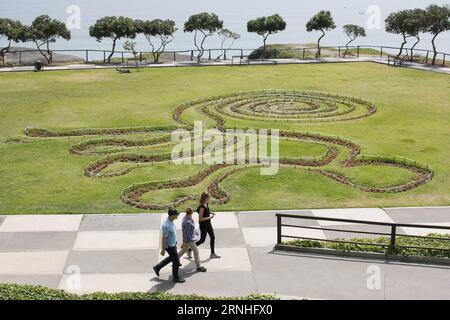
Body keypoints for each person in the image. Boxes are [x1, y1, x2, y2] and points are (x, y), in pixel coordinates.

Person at [153, 208, 185, 283]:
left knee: (172, 258)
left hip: (173, 244)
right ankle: (176, 278)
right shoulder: (166, 225)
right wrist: (163, 249)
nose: (177, 216)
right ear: (173, 215)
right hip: (170, 246)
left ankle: (157, 267)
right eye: (177, 214)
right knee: (176, 262)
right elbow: (164, 238)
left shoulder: (171, 221)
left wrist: (175, 241)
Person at [178, 207, 207, 272]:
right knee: (196, 252)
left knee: (183, 250)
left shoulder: (185, 218)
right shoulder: (188, 222)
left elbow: (187, 230)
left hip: (187, 239)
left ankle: (175, 260)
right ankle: (199, 266)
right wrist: (184, 242)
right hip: (189, 240)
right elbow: (187, 233)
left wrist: (194, 231)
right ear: (192, 213)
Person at [196, 191, 221, 259]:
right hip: (203, 225)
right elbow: (200, 218)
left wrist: (210, 212)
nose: (210, 198)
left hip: (208, 224)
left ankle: (212, 253)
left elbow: (206, 211)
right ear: (205, 198)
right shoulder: (201, 207)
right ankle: (189, 249)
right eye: (209, 197)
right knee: (202, 240)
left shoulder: (206, 204)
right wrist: (210, 217)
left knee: (212, 237)